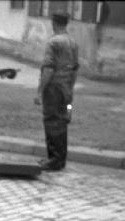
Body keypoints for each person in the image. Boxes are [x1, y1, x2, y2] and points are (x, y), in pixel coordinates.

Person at [34, 10, 79, 171]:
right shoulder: (73, 42)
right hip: (66, 90)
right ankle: (61, 159)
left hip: (53, 90)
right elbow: (75, 70)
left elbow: (48, 69)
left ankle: (53, 159)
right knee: (63, 120)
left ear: (54, 24)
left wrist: (39, 92)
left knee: (51, 121)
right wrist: (70, 88)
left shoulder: (53, 43)